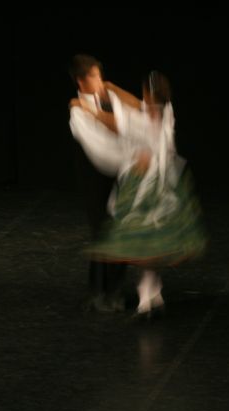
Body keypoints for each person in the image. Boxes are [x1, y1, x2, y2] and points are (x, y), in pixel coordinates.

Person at [82, 71, 207, 320]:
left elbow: (118, 123)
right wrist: (112, 87)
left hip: (149, 185)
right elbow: (134, 105)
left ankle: (147, 300)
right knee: (152, 246)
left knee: (145, 243)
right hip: (166, 181)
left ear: (148, 95)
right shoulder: (166, 110)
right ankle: (152, 296)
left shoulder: (147, 118)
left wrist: (86, 109)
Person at [68, 54, 126, 313]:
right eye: (93, 76)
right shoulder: (77, 111)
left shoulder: (111, 100)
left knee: (121, 230)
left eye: (99, 75)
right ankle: (98, 292)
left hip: (119, 172)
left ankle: (114, 291)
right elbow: (100, 149)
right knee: (101, 232)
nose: (100, 81)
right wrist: (124, 158)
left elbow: (129, 125)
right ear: (80, 81)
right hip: (95, 175)